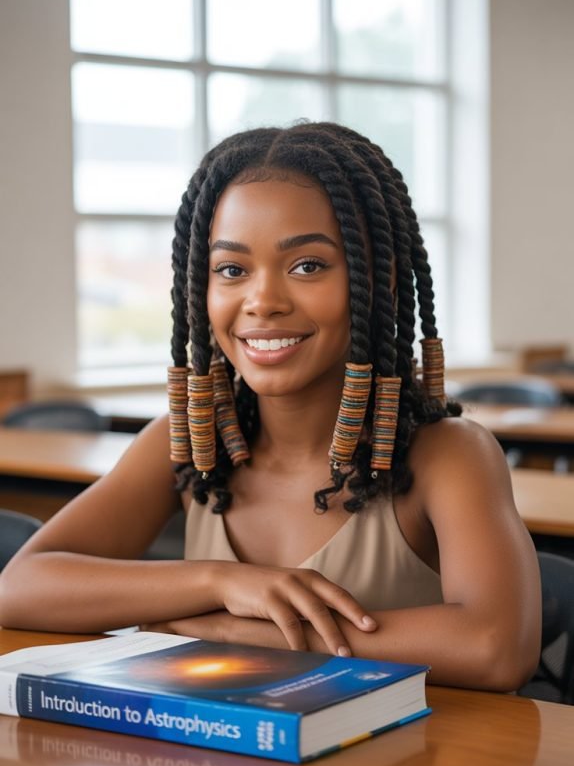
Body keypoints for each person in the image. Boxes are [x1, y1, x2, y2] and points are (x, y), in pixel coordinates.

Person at [0, 122, 541, 690]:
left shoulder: (450, 454)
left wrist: (235, 631)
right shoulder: (188, 438)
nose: (263, 302)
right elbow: (21, 587)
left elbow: (496, 647)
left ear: (375, 281)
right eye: (232, 270)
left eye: (307, 265)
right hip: (222, 765)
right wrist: (222, 585)